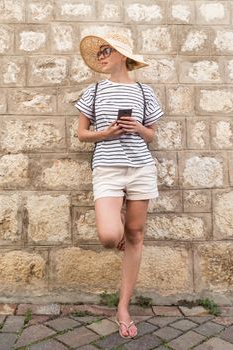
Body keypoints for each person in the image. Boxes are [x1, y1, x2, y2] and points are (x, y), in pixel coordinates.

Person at [75, 32, 164, 338]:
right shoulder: (94, 92)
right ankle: (120, 220)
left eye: (107, 50)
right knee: (110, 236)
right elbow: (81, 134)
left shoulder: (144, 92)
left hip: (140, 167)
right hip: (108, 168)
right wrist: (106, 133)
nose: (101, 55)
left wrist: (138, 128)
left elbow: (152, 135)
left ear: (123, 55)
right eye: (99, 52)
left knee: (136, 235)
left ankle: (123, 307)